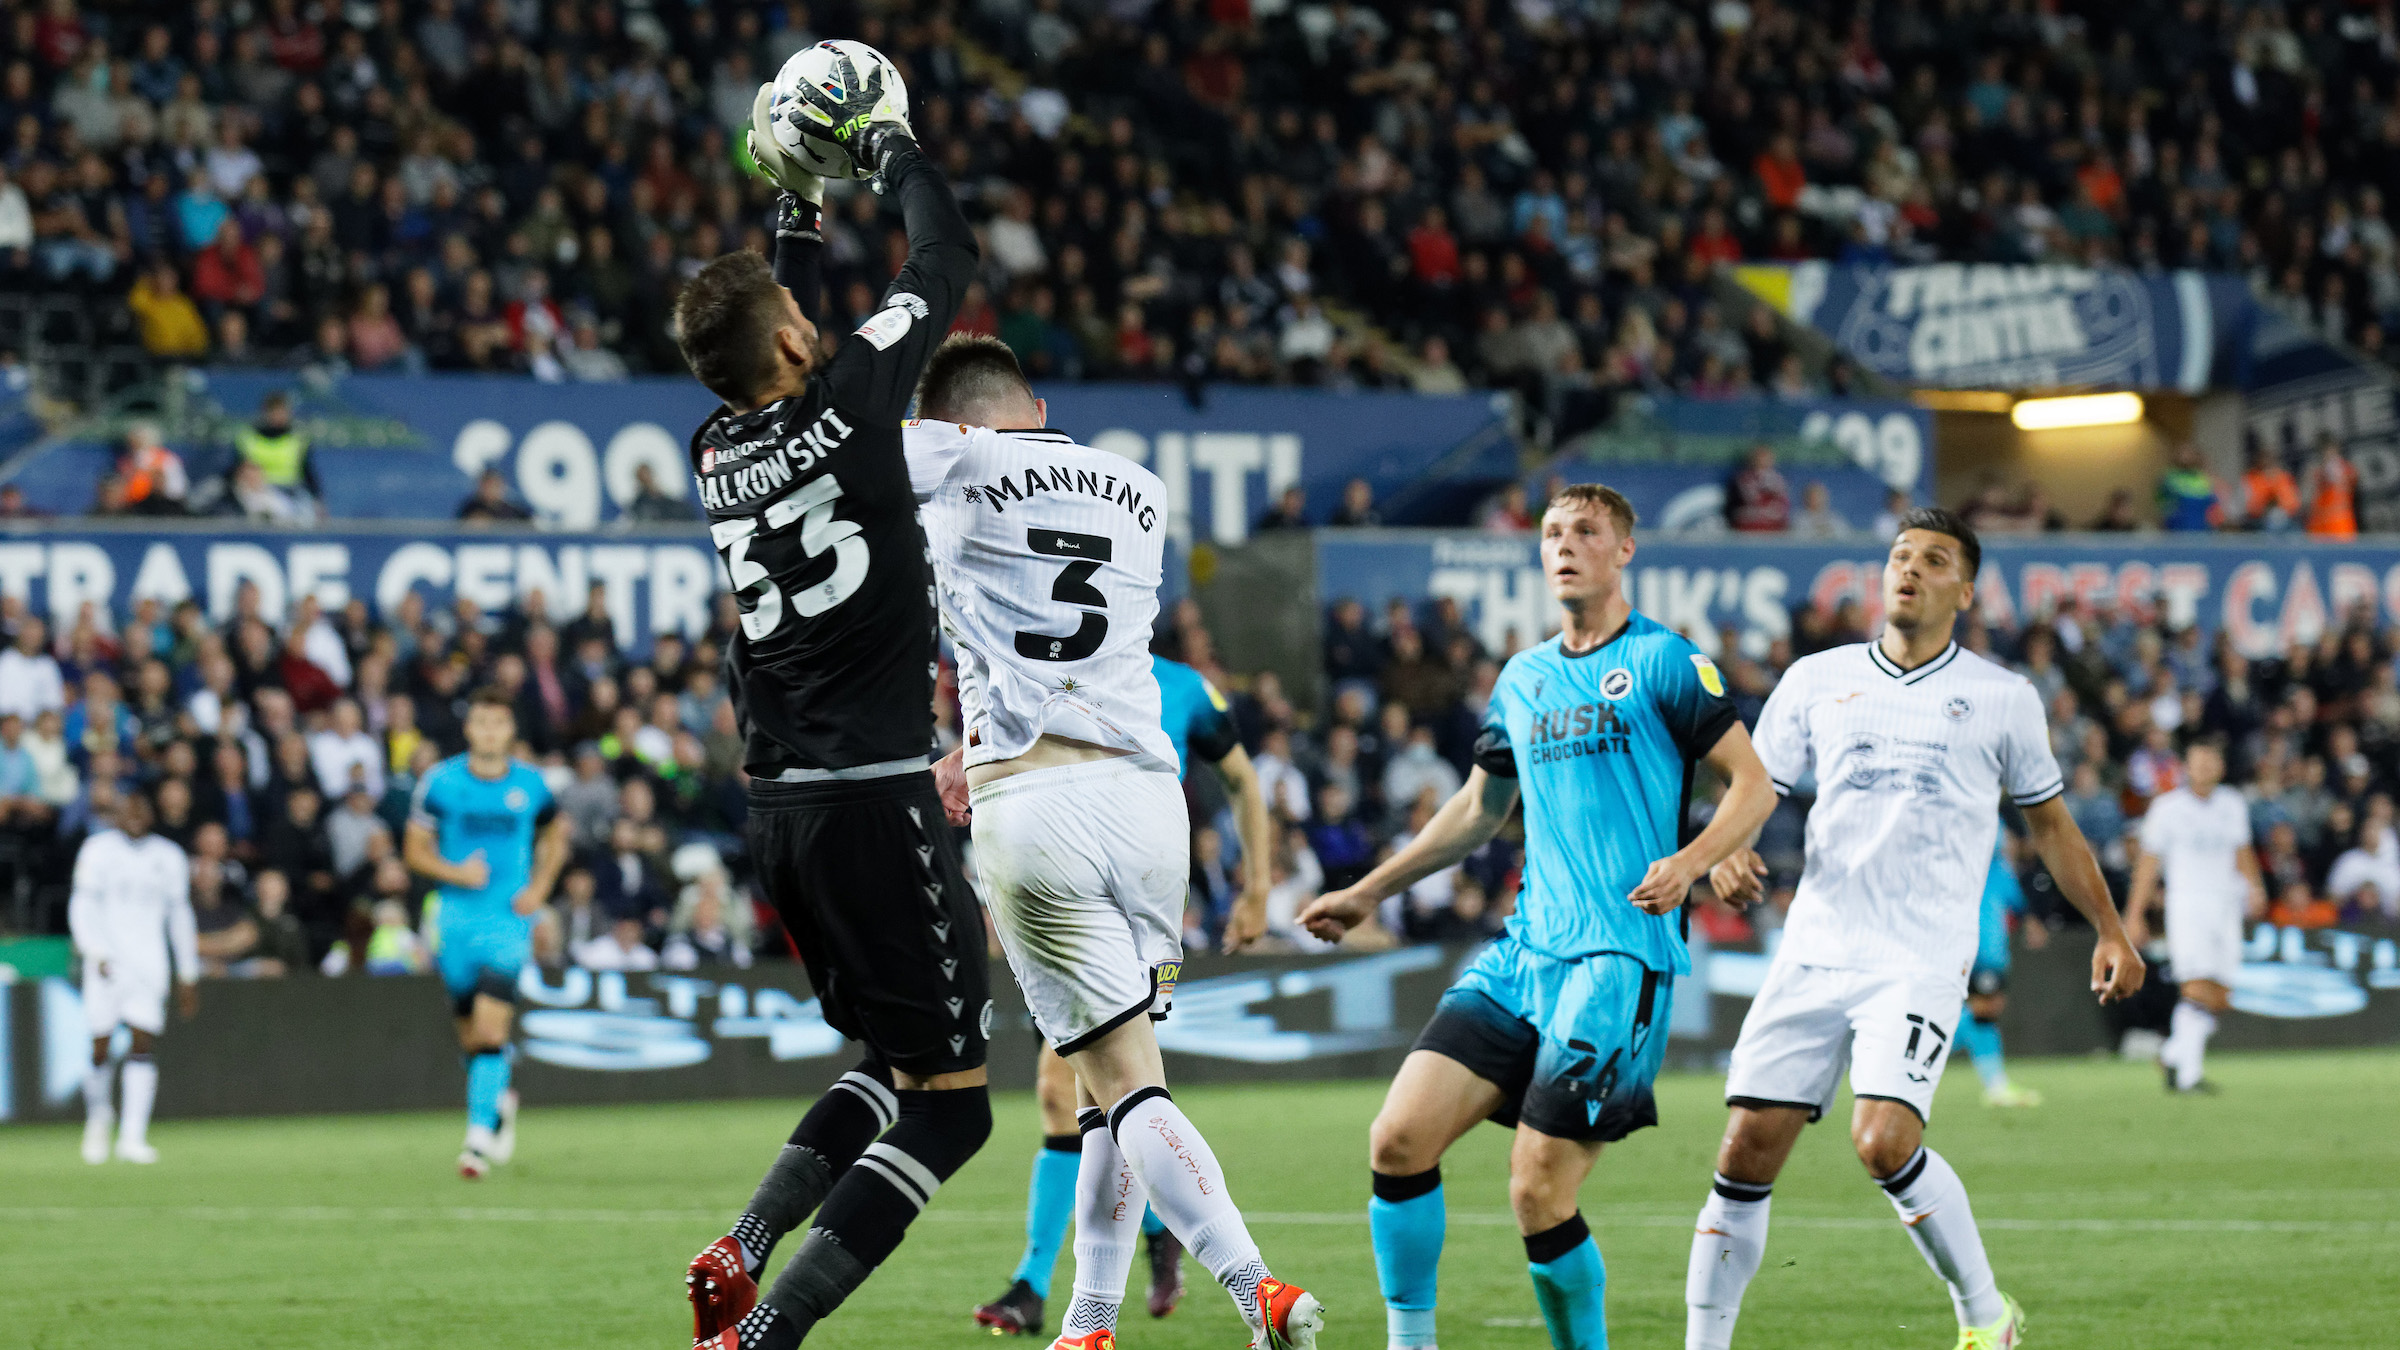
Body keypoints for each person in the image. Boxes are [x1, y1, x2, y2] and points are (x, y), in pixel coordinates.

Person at [895, 334, 1317, 1350]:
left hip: (1036, 809)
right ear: (1035, 408)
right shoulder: (1134, 484)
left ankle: (1259, 1288)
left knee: (1126, 1085)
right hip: (1146, 804)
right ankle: (1089, 1320)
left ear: (953, 418)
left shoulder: (946, 461)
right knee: (1111, 1084)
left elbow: (863, 444)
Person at [1300, 483, 1778, 1350]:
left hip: (1620, 960)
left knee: (1538, 1191)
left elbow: (1753, 784)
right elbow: (1481, 809)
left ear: (1624, 549)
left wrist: (1694, 861)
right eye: (1553, 533)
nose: (1564, 545)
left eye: (1586, 532)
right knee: (1399, 1138)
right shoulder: (1523, 677)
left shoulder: (1668, 661)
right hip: (1525, 954)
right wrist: (1373, 888)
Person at [678, 71, 1000, 1350]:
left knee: (886, 1057)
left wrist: (794, 209)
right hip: (876, 805)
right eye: (803, 315)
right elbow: (947, 251)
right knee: (956, 1106)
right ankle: (770, 1333)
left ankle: (745, 1244)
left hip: (778, 814)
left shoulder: (714, 448)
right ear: (800, 345)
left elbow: (771, 326)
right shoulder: (860, 397)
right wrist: (889, 147)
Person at [1682, 507, 2144, 1350]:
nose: (1910, 569)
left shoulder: (2004, 698)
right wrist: (1727, 849)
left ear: (1962, 591)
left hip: (1921, 956)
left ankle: (1983, 1315)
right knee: (1745, 1151)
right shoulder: (1816, 680)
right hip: (1817, 948)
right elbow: (1755, 789)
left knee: (1883, 1140)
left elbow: (2051, 826)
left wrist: (2110, 928)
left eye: (1933, 560)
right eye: (1899, 555)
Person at [970, 640, 1281, 1338]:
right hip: (1090, 873)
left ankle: (1217, 1272)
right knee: (1102, 1090)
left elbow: (1243, 781)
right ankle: (1090, 1297)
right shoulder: (1044, 665)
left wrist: (1257, 886)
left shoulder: (1185, 687)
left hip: (1134, 884)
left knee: (1091, 1082)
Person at [403, 687, 570, 1178]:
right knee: (472, 1036)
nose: (490, 731)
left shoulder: (532, 785)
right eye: (482, 722)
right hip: (454, 921)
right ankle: (499, 1102)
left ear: (510, 730)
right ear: (469, 729)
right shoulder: (440, 781)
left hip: (506, 921)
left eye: (499, 722)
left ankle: (476, 1142)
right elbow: (414, 850)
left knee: (492, 1028)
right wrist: (457, 874)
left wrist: (539, 889)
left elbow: (556, 836)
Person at [2125, 738, 2264, 1094]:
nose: (2204, 768)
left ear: (2220, 766)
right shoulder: (2167, 808)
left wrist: (2255, 887)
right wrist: (2134, 914)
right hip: (2187, 905)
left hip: (2227, 905)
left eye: (2210, 761)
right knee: (2195, 985)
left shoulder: (2232, 804)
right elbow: (2148, 864)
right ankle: (2188, 1075)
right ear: (2186, 767)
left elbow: (2243, 850)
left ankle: (2173, 1054)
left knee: (2221, 994)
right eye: (2197, 761)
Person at [69, 790, 199, 1165]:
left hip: (149, 963)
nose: (136, 816)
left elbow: (179, 916)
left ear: (153, 814)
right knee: (101, 1045)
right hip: (106, 962)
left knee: (142, 1044)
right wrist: (95, 950)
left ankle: (132, 1136)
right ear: (117, 814)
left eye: (143, 809)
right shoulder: (97, 850)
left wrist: (187, 971)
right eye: (129, 809)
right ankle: (98, 1116)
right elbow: (81, 905)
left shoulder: (168, 856)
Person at [1954, 828, 2041, 1108]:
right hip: (1979, 953)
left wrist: (2030, 923)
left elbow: (2018, 904)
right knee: (1983, 1014)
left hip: (1985, 952)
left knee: (1982, 1014)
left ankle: (1996, 1083)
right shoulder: (1977, 869)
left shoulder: (1992, 870)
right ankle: (1996, 1084)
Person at [232, 390, 319, 507]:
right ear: (266, 412)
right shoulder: (247, 438)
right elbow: (236, 470)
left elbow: (308, 471)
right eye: (274, 412)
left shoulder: (298, 439)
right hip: (256, 492)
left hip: (290, 492)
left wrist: (317, 499)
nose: (278, 416)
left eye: (282, 412)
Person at [1725, 444, 1789, 532]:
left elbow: (1782, 502)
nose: (1763, 460)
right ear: (1753, 459)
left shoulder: (1778, 478)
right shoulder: (1744, 478)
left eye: (1766, 457)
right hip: (1752, 518)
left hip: (1773, 519)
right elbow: (1752, 499)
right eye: (1760, 457)